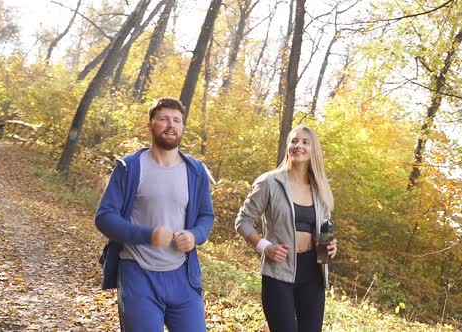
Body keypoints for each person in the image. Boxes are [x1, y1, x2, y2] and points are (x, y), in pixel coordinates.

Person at [95, 97, 214, 331]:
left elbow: (206, 216)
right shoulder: (129, 167)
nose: (171, 125)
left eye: (177, 120)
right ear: (150, 126)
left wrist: (195, 235)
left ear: (182, 127)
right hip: (138, 272)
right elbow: (105, 216)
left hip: (183, 276)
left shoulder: (196, 171)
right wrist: (147, 235)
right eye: (164, 119)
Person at [235, 124, 338, 332]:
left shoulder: (321, 189)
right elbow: (243, 221)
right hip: (278, 272)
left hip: (313, 272)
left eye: (305, 142)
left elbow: (324, 228)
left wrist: (331, 245)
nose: (298, 146)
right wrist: (265, 246)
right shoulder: (269, 182)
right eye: (294, 141)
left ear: (313, 150)